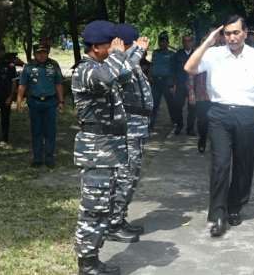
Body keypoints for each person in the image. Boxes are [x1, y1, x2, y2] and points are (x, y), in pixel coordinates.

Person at [184, 15, 254, 238]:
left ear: (245, 33)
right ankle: (217, 214)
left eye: (236, 32)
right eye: (227, 33)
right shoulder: (214, 54)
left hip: (248, 115)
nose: (232, 37)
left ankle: (235, 206)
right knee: (220, 163)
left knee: (244, 165)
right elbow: (189, 67)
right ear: (222, 35)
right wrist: (207, 41)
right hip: (219, 115)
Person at [72, 20, 127, 275]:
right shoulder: (86, 70)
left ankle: (93, 258)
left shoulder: (100, 66)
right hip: (95, 151)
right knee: (93, 210)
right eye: (110, 44)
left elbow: (123, 74)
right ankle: (86, 263)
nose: (115, 47)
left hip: (107, 150)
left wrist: (124, 54)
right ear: (95, 47)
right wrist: (117, 55)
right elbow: (107, 77)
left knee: (103, 206)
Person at [110, 23, 152, 240]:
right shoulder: (120, 64)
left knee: (131, 175)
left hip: (137, 127)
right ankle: (113, 225)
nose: (141, 45)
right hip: (128, 128)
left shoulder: (130, 62)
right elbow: (121, 76)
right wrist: (137, 52)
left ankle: (120, 218)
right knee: (125, 176)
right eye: (136, 43)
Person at [16, 44, 64, 168]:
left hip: (50, 102)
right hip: (35, 102)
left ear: (47, 53)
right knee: (36, 131)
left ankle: (49, 158)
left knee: (50, 131)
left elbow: (58, 84)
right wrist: (19, 100)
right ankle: (37, 158)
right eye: (39, 53)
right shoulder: (28, 66)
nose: (42, 55)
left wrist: (61, 101)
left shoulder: (54, 65)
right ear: (34, 54)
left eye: (44, 52)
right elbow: (22, 84)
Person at [149, 33, 177, 129]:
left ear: (167, 42)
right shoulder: (155, 53)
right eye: (161, 41)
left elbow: (174, 69)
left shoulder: (172, 54)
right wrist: (150, 76)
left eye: (164, 41)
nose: (162, 43)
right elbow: (152, 65)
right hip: (156, 81)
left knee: (171, 104)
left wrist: (173, 83)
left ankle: (175, 122)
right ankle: (150, 124)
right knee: (154, 104)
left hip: (167, 82)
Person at [172, 35, 196, 135]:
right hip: (180, 84)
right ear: (182, 43)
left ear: (192, 42)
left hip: (193, 86)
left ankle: (190, 129)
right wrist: (172, 84)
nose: (187, 43)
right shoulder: (177, 55)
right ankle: (179, 125)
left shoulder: (196, 54)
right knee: (177, 106)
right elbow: (173, 70)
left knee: (193, 108)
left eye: (189, 41)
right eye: (185, 41)